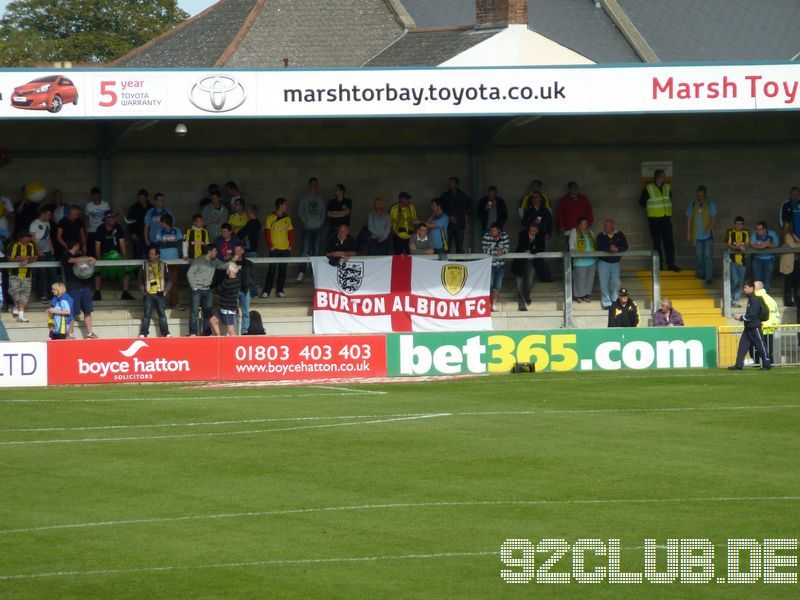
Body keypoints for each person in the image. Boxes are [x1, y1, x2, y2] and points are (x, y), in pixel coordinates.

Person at [640, 169, 681, 271]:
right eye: (663, 176)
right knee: (657, 244)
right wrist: (652, 208)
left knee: (669, 242)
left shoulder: (667, 187)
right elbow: (641, 202)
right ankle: (659, 266)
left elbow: (669, 199)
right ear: (658, 177)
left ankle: (671, 263)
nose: (665, 178)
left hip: (666, 219)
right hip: (654, 220)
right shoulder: (649, 188)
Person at [729, 280, 771, 370]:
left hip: (754, 327)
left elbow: (751, 315)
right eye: (744, 288)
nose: (744, 290)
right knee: (742, 347)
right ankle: (739, 365)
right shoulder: (751, 299)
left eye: (746, 288)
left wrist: (740, 318)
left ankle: (767, 364)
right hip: (748, 327)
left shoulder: (755, 300)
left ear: (752, 288)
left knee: (760, 346)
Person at [95, 210, 134, 301]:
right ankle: (97, 292)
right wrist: (99, 260)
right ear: (106, 219)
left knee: (127, 269)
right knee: (96, 270)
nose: (114, 219)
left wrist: (125, 260)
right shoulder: (100, 228)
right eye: (112, 217)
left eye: (114, 217)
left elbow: (122, 244)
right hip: (105, 255)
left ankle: (125, 292)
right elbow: (97, 246)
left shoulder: (118, 227)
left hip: (118, 255)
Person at [61, 241, 98, 339]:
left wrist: (90, 260)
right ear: (76, 245)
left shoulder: (80, 255)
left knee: (87, 310)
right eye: (78, 245)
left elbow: (91, 262)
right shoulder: (66, 255)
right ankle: (69, 334)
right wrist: (88, 258)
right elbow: (72, 260)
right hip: (73, 287)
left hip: (85, 286)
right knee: (72, 311)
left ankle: (90, 333)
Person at [685, 185, 718, 285]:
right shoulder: (693, 204)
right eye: (698, 195)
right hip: (697, 235)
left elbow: (714, 218)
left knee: (708, 256)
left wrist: (709, 228)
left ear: (705, 195)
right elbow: (689, 219)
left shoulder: (710, 204)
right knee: (699, 256)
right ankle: (701, 273)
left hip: (707, 236)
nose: (699, 197)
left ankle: (709, 277)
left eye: (701, 195)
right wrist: (688, 232)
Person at [518, 189, 553, 281]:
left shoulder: (545, 210)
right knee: (531, 255)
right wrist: (532, 221)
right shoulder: (528, 210)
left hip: (542, 235)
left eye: (537, 197)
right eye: (534, 197)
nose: (535, 199)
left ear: (541, 199)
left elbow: (550, 223)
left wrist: (549, 233)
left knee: (544, 256)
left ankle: (545, 277)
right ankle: (533, 276)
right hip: (532, 235)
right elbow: (524, 223)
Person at [262, 197, 294, 298]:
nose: (286, 206)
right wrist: (270, 245)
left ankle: (280, 290)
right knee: (272, 269)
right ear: (280, 205)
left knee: (282, 270)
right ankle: (266, 291)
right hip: (274, 248)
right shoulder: (270, 217)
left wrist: (290, 245)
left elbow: (290, 233)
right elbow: (267, 233)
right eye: (285, 204)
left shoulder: (287, 218)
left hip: (285, 249)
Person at [137, 247, 172, 338]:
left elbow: (169, 280)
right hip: (148, 293)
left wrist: (166, 291)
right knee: (147, 315)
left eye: (152, 254)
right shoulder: (144, 265)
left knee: (162, 315)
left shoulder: (164, 265)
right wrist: (143, 290)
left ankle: (166, 333)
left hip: (160, 293)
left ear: (157, 255)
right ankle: (143, 333)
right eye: (149, 254)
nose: (150, 255)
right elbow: (140, 280)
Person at [296, 177, 326, 282]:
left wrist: (319, 223)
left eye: (316, 184)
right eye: (313, 184)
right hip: (307, 228)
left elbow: (323, 213)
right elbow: (300, 213)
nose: (314, 186)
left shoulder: (320, 199)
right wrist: (307, 223)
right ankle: (301, 272)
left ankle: (315, 274)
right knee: (305, 251)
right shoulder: (304, 198)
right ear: (309, 185)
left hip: (317, 228)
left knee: (316, 251)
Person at [187, 244, 220, 336]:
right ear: (209, 252)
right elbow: (190, 274)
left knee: (208, 312)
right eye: (215, 251)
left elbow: (223, 266)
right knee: (194, 311)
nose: (216, 253)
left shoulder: (214, 261)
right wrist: (194, 286)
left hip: (208, 289)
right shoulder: (198, 261)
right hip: (197, 289)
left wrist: (233, 261)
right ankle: (193, 332)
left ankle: (207, 332)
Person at [595, 218, 628, 309]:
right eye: (605, 226)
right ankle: (606, 302)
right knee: (603, 283)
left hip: (615, 262)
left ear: (613, 226)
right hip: (603, 262)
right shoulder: (601, 235)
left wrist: (618, 249)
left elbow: (625, 246)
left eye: (609, 226)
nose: (607, 227)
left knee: (616, 282)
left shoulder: (619, 234)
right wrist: (608, 249)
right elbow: (598, 247)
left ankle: (614, 300)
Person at [8, 231, 38, 322]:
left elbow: (35, 257)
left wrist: (27, 261)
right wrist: (19, 260)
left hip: (27, 274)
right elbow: (9, 258)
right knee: (13, 291)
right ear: (20, 238)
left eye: (27, 239)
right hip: (14, 273)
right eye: (24, 239)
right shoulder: (14, 245)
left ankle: (21, 315)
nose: (26, 241)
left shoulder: (31, 245)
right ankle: (16, 305)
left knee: (25, 294)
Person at [29, 205, 55, 303]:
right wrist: (38, 250)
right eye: (48, 214)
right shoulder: (34, 224)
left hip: (48, 250)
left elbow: (48, 237)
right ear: (43, 214)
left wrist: (52, 247)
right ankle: (41, 294)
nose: (50, 216)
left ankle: (51, 293)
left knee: (52, 273)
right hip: (40, 251)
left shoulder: (47, 223)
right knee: (42, 273)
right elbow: (33, 239)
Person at [482, 222, 510, 312]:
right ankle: (488, 304)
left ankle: (493, 305)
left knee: (497, 286)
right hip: (489, 265)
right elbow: (484, 250)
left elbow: (507, 248)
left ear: (499, 231)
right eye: (491, 230)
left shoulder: (504, 235)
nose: (492, 232)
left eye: (494, 230)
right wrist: (496, 252)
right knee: (489, 285)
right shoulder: (486, 236)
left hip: (501, 265)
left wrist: (503, 251)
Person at [568, 216, 597, 303]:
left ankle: (587, 295)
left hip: (591, 260)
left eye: (586, 223)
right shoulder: (574, 231)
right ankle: (578, 295)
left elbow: (595, 244)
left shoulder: (590, 232)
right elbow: (571, 246)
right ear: (579, 225)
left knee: (590, 279)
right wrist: (575, 256)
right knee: (580, 279)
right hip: (580, 260)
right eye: (583, 223)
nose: (585, 225)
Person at [440, 176, 471, 254]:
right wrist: (448, 216)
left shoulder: (462, 195)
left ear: (457, 185)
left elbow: (470, 205)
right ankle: (445, 265)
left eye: (452, 183)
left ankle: (460, 264)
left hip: (460, 225)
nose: (450, 185)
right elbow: (440, 209)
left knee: (459, 248)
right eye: (449, 183)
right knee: (447, 248)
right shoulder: (445, 196)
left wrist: (467, 214)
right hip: (448, 226)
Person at [511, 222, 538, 311]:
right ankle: (522, 304)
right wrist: (530, 241)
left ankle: (526, 296)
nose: (533, 232)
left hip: (531, 262)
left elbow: (539, 248)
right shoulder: (522, 234)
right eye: (531, 230)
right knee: (519, 284)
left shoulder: (539, 236)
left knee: (529, 281)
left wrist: (532, 244)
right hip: (520, 262)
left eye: (535, 230)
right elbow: (522, 246)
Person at [752, 280, 780, 365]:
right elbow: (775, 315)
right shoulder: (770, 299)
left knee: (759, 352)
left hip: (761, 328)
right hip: (769, 328)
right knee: (767, 352)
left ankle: (761, 364)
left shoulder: (758, 298)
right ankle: (769, 364)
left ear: (756, 288)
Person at [557, 181, 593, 247]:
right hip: (569, 229)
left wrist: (588, 224)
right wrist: (561, 226)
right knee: (570, 247)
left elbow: (589, 212)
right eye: (572, 187)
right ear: (569, 189)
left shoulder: (583, 198)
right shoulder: (564, 200)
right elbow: (560, 214)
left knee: (583, 247)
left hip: (583, 229)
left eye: (575, 187)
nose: (574, 189)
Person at [210, 262, 241, 336]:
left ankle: (235, 345)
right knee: (212, 320)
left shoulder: (226, 282)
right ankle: (219, 338)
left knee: (230, 330)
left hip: (227, 309)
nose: (226, 269)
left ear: (229, 271)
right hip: (227, 308)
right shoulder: (238, 281)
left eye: (227, 268)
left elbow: (216, 291)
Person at [749, 221, 779, 292]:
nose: (757, 231)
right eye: (756, 229)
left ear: (764, 230)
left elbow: (776, 245)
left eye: (759, 230)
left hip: (769, 260)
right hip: (756, 260)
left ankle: (765, 299)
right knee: (757, 281)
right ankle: (757, 300)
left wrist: (764, 245)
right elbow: (752, 244)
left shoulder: (772, 233)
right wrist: (766, 245)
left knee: (767, 281)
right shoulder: (754, 233)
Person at [726, 216, 749, 307]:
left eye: (740, 224)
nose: (739, 226)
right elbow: (728, 244)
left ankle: (735, 301)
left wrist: (744, 247)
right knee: (735, 280)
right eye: (737, 224)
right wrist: (738, 248)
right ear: (734, 224)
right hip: (733, 261)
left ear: (743, 225)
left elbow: (747, 243)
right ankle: (729, 299)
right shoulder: (731, 232)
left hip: (742, 261)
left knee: (740, 282)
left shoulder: (745, 232)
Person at [233, 243, 255, 334]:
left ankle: (244, 331)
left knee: (245, 312)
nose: (236, 252)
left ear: (242, 251)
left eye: (238, 250)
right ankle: (233, 330)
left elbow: (253, 276)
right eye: (235, 251)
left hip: (245, 290)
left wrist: (249, 286)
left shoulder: (249, 263)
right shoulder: (232, 262)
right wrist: (232, 261)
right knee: (233, 312)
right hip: (234, 290)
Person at [84, 187, 109, 260]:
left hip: (103, 230)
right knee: (92, 251)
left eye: (97, 196)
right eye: (94, 196)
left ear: (100, 196)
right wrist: (86, 233)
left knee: (103, 250)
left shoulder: (105, 204)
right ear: (92, 196)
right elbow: (86, 220)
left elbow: (108, 218)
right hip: (92, 231)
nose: (96, 198)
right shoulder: (88, 205)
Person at [125, 189, 150, 259]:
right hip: (137, 235)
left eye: (143, 198)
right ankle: (137, 270)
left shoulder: (151, 208)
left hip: (148, 236)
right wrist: (132, 233)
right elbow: (129, 221)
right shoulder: (133, 208)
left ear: (146, 198)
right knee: (137, 255)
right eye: (139, 198)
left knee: (149, 254)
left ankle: (149, 270)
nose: (141, 200)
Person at [780, 225, 800, 307]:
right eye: (786, 226)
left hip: (795, 262)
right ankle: (788, 301)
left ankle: (796, 300)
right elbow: (793, 245)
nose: (788, 227)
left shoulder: (793, 234)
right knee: (788, 282)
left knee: (796, 283)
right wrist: (797, 244)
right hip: (788, 263)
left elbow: (798, 242)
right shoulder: (786, 235)